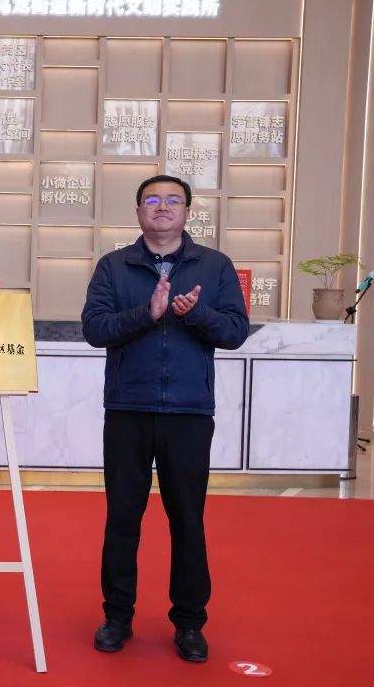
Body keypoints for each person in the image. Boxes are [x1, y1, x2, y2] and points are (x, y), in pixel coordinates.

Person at [80, 175, 249, 663]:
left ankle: (190, 623)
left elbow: (235, 332)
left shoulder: (215, 266)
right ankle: (117, 617)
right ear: (138, 211)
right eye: (152, 199)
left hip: (189, 413)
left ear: (188, 212)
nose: (162, 207)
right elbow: (94, 329)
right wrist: (147, 313)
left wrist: (195, 314)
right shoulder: (114, 266)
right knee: (122, 518)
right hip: (128, 410)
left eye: (173, 200)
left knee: (188, 520)